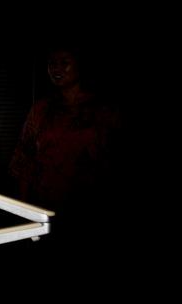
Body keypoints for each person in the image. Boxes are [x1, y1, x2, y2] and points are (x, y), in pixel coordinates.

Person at [9, 41, 122, 224]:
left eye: (64, 62)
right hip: (45, 203)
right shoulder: (41, 109)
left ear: (79, 64)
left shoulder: (103, 110)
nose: (57, 68)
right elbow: (24, 159)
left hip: (89, 202)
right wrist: (23, 207)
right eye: (52, 63)